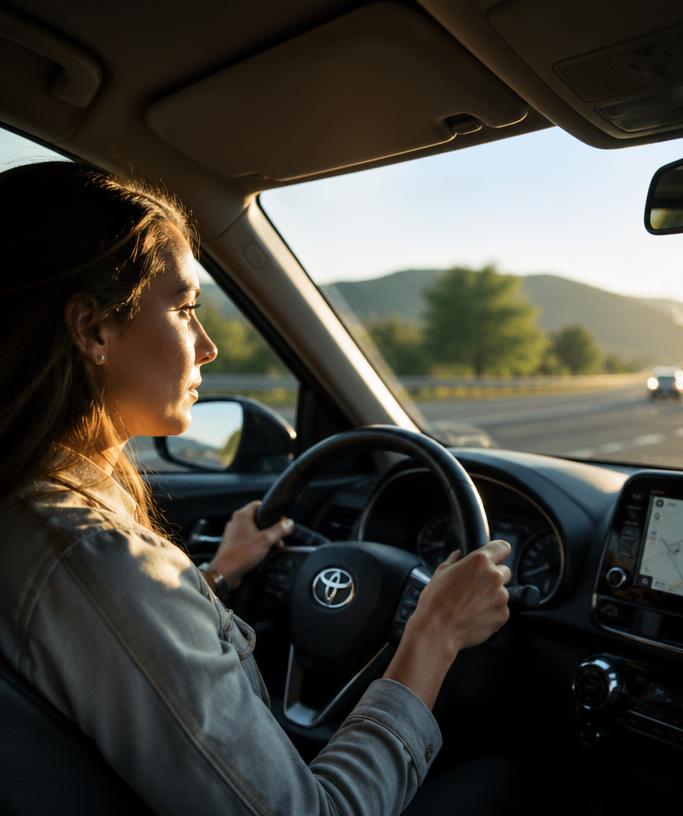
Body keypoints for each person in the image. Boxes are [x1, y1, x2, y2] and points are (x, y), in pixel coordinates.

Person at [0, 161, 514, 815]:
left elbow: (108, 656)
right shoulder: (93, 555)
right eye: (186, 309)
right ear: (93, 329)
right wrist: (435, 633)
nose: (208, 346)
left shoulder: (33, 516)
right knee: (509, 779)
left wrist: (215, 578)